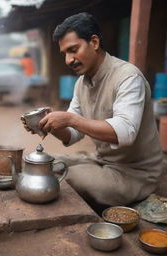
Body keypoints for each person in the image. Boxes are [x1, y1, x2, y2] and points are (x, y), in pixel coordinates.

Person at [23, 13, 163, 208]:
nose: (68, 60)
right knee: (44, 165)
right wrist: (50, 124)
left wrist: (70, 119)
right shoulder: (81, 83)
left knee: (64, 177)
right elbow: (72, 135)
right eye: (64, 53)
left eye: (73, 50)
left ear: (94, 42)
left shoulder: (128, 77)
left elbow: (125, 132)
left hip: (136, 174)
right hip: (102, 162)